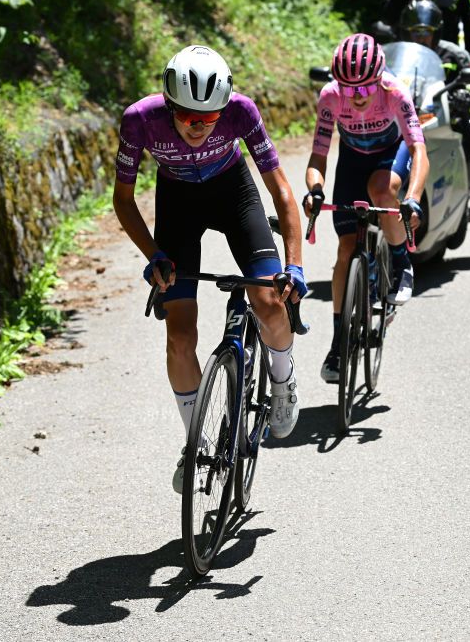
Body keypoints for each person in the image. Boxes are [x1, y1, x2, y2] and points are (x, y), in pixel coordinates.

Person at [113, 45, 306, 493]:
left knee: (268, 299)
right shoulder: (140, 120)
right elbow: (123, 201)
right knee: (180, 337)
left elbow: (281, 192)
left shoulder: (241, 112)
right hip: (178, 202)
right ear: (170, 106)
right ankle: (195, 443)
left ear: (224, 109)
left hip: (233, 194)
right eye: (187, 117)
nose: (198, 127)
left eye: (209, 118)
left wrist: (294, 266)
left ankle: (283, 378)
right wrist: (153, 256)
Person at [304, 33, 429, 383]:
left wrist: (413, 197)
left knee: (382, 189)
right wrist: (315, 190)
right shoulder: (330, 98)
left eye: (364, 89)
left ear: (379, 80)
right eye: (349, 89)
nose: (357, 97)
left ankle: (400, 261)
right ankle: (339, 341)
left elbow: (418, 150)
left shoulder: (393, 93)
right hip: (352, 160)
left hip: (391, 154)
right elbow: (318, 155)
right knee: (346, 249)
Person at [400, 0, 470, 219]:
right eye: (415, 32)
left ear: (436, 32)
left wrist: (464, 97)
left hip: (445, 114)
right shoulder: (401, 54)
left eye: (426, 32)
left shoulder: (454, 55)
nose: (420, 37)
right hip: (407, 116)